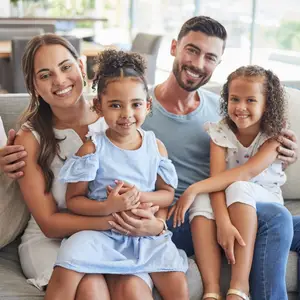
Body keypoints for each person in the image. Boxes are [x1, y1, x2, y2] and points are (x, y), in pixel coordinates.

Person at [0, 16, 299, 300]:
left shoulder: (196, 113)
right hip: (104, 226)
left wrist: (281, 147)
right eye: (192, 51)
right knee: (94, 286)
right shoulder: (109, 117)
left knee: (279, 219)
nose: (127, 114)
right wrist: (133, 220)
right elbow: (58, 215)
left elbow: (257, 132)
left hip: (160, 216)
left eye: (210, 57)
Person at [0, 34, 172, 300]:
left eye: (66, 67)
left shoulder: (116, 116)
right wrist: (115, 221)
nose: (59, 81)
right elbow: (49, 224)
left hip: (116, 236)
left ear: (81, 67)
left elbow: (148, 182)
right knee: (92, 289)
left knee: (132, 289)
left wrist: (156, 224)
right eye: (45, 75)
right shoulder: (29, 140)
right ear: (33, 85)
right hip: (54, 240)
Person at [44, 49, 188, 300]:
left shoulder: (155, 147)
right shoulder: (92, 149)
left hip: (142, 231)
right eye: (115, 105)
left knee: (176, 278)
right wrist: (109, 205)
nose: (126, 114)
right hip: (99, 233)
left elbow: (167, 194)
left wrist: (141, 197)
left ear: (148, 105)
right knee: (69, 261)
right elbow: (74, 200)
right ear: (98, 106)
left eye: (136, 105)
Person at [167, 65, 288, 300]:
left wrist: (194, 187)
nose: (240, 108)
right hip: (231, 196)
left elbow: (245, 173)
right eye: (235, 99)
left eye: (251, 100)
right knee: (205, 196)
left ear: (267, 104)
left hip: (265, 200)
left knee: (233, 186)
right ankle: (211, 290)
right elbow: (216, 182)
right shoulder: (220, 131)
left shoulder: (274, 135)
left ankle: (238, 288)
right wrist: (222, 221)